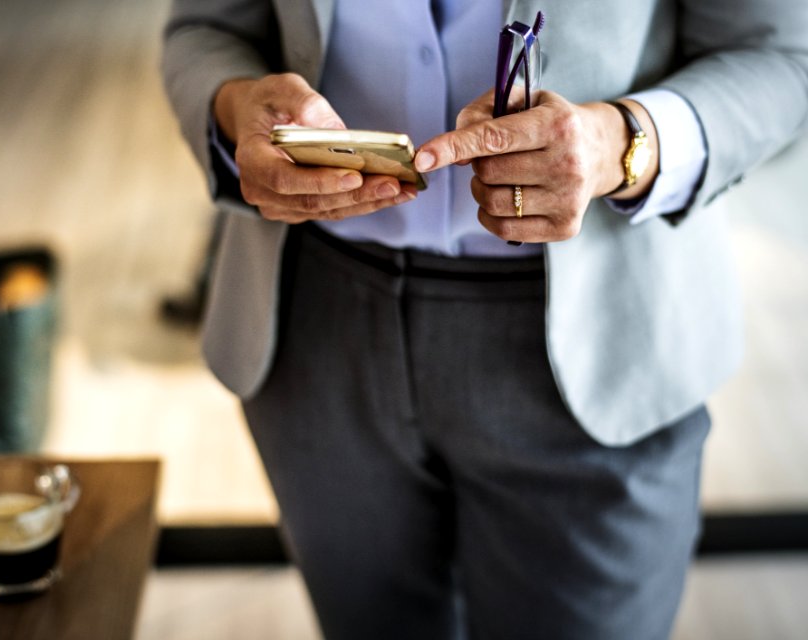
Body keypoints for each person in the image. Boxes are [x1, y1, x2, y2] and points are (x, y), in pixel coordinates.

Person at [162, 1, 808, 638]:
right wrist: (235, 106)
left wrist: (619, 144)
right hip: (316, 327)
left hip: (600, 342)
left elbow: (783, 59)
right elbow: (204, 29)